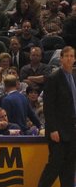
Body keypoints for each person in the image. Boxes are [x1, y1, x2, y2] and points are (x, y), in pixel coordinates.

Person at [38, 46, 76, 187]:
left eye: (72, 56)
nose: (69, 58)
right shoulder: (54, 78)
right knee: (55, 164)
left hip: (72, 129)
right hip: (58, 131)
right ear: (60, 58)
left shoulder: (74, 77)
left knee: (69, 166)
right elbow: (49, 106)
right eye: (66, 56)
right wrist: (53, 129)